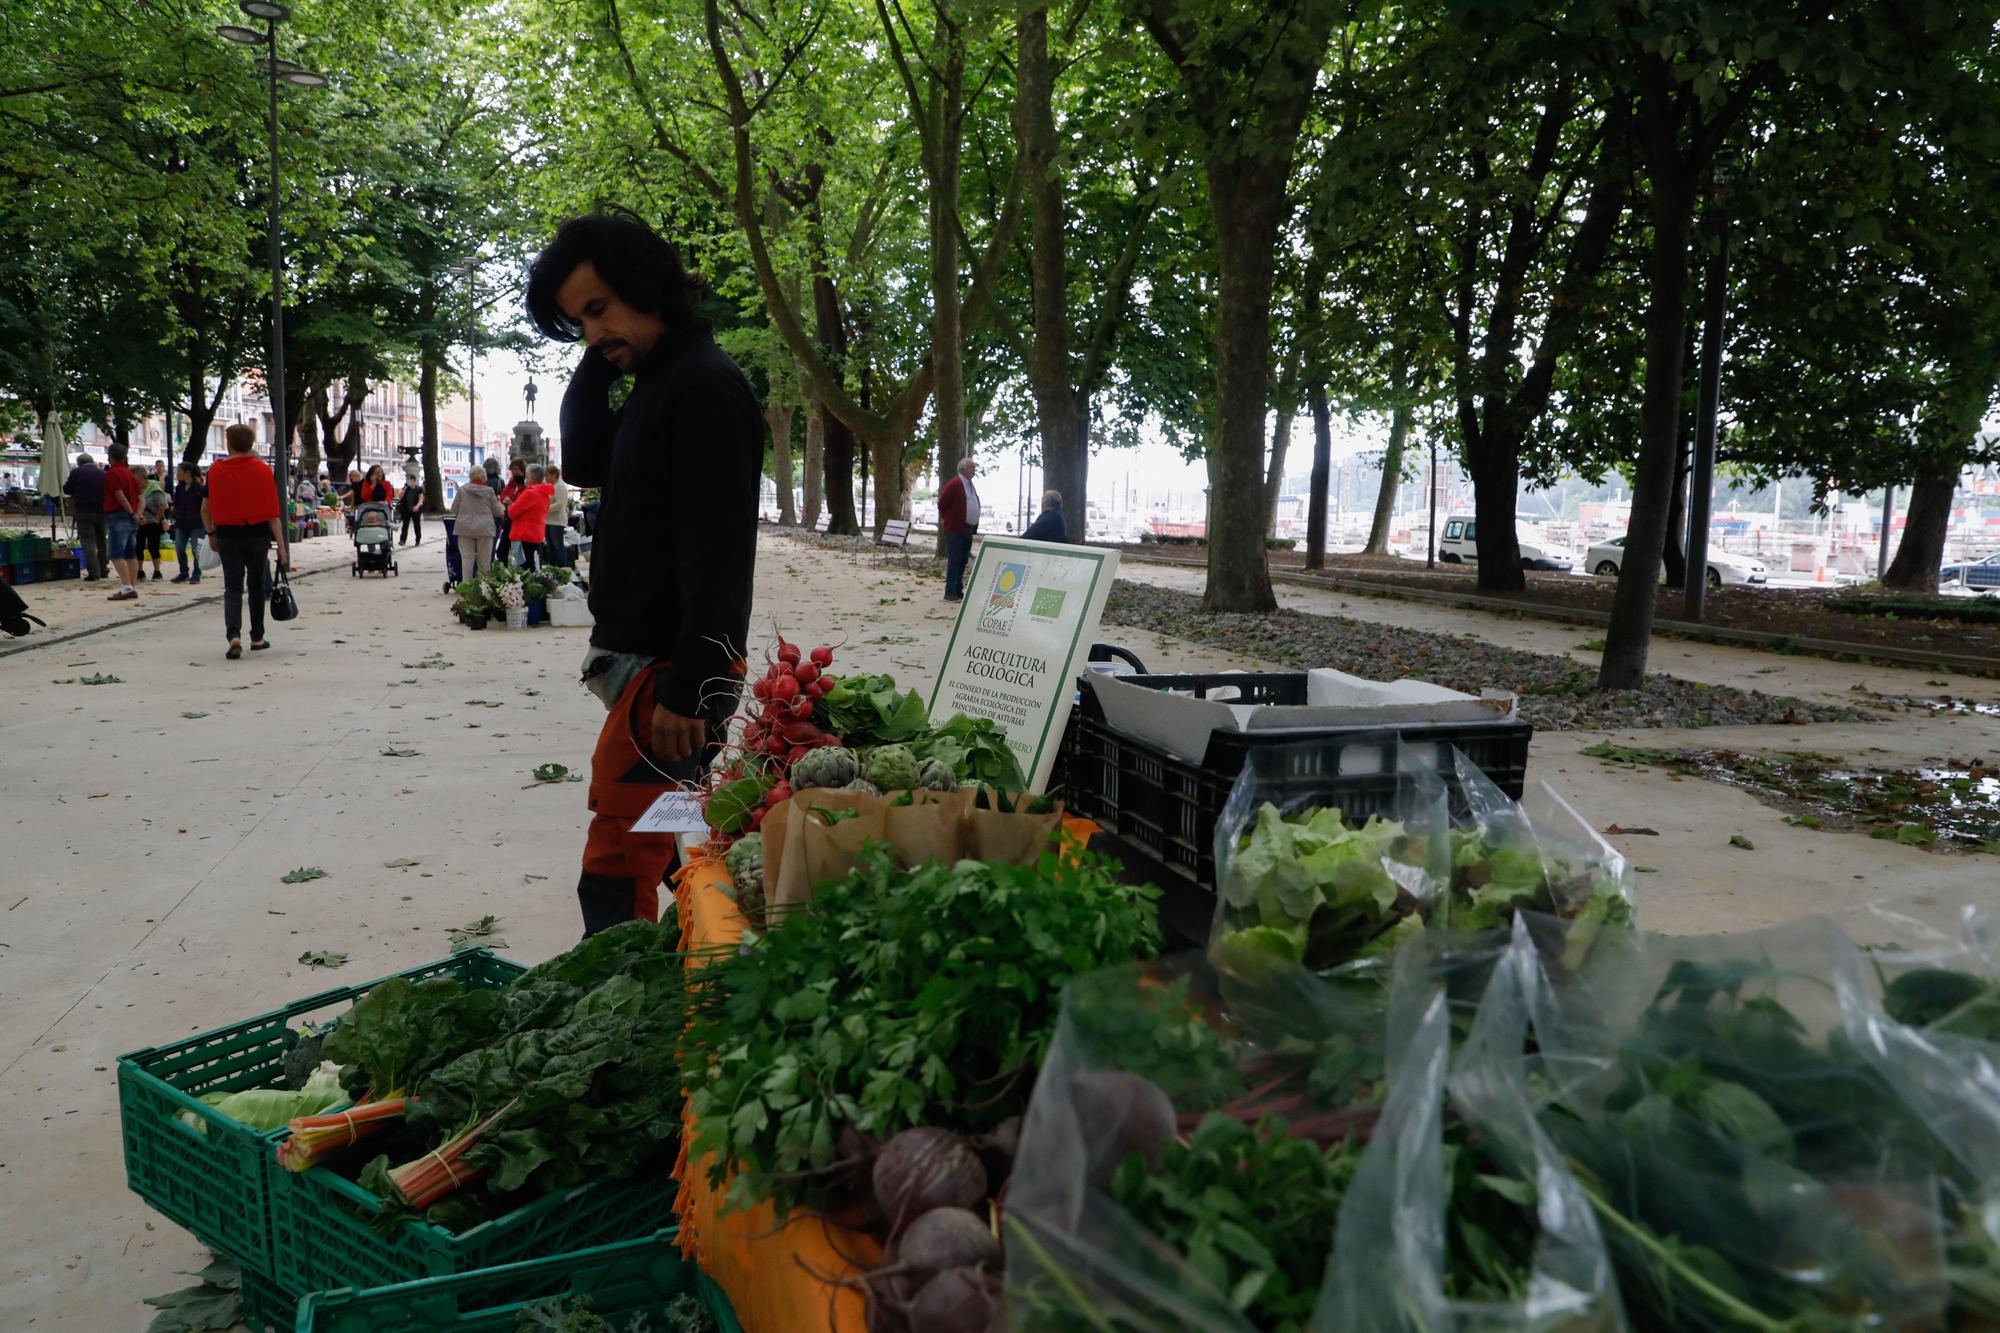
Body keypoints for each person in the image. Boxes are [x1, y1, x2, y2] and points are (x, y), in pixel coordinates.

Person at [527, 206, 762, 936]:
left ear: (646, 284)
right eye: (579, 322)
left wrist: (690, 690)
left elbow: (719, 554)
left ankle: (618, 1018)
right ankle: (699, 994)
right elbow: (589, 460)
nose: (594, 334)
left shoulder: (701, 388)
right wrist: (598, 352)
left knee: (619, 859)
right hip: (652, 673)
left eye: (599, 309)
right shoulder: (660, 380)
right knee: (675, 851)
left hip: (670, 679)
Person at [203, 424, 290, 658]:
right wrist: (281, 546)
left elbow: (205, 509)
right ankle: (257, 637)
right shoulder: (262, 471)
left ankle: (234, 635)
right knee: (255, 586)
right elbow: (273, 513)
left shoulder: (215, 471)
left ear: (228, 443)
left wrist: (211, 534)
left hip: (227, 536)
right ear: (251, 444)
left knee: (232, 586)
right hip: (257, 536)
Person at [102, 443, 143, 601]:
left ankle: (126, 587)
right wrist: (137, 514)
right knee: (130, 555)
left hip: (118, 516)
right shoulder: (130, 474)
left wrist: (131, 512)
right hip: (132, 519)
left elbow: (119, 494)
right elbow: (141, 499)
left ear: (110, 456)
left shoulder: (112, 473)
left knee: (116, 554)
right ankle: (132, 586)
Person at [449, 467, 504, 583]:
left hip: (465, 528)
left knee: (467, 560)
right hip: (485, 529)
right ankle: (484, 590)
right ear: (484, 477)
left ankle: (466, 589)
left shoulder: (462, 490)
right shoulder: (489, 491)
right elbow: (498, 512)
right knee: (484, 562)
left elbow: (454, 509)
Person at [937, 455, 981, 601]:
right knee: (955, 559)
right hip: (956, 528)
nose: (974, 470)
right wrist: (948, 519)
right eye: (972, 467)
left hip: (967, 528)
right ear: (962, 469)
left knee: (962, 559)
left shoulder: (969, 485)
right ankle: (950, 591)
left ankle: (957, 589)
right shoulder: (955, 483)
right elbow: (942, 503)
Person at [64, 453, 107, 581]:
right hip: (102, 511)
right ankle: (104, 569)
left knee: (88, 541)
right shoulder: (103, 473)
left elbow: (67, 489)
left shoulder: (77, 473)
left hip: (83, 511)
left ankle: (94, 572)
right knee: (102, 540)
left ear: (79, 463)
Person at [507, 463, 551, 569]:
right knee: (530, 563)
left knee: (524, 568)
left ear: (531, 476)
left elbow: (512, 512)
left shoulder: (530, 493)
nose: (525, 477)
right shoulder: (544, 493)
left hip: (524, 533)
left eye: (527, 474)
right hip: (536, 532)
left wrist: (510, 504)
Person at [170, 462, 206, 584]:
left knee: (197, 550)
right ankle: (183, 572)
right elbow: (176, 504)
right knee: (179, 548)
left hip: (197, 524)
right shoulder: (179, 488)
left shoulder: (199, 488)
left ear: (187, 472)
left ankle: (196, 573)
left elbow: (204, 507)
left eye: (179, 471)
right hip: (181, 524)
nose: (177, 474)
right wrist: (176, 515)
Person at [137, 467, 171, 580]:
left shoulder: (154, 489)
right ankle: (140, 571)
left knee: (153, 547)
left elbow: (163, 505)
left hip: (152, 523)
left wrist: (157, 519)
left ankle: (157, 571)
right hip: (139, 523)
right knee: (138, 547)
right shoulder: (136, 489)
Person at [495, 457, 527, 563]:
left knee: (520, 552)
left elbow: (524, 500)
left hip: (520, 520)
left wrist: (512, 502)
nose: (513, 472)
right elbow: (503, 495)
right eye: (512, 469)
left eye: (515, 469)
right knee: (501, 551)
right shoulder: (512, 482)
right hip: (509, 519)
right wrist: (507, 500)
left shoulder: (526, 483)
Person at [544, 464, 572, 568]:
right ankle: (553, 567)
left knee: (558, 546)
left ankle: (562, 568)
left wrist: (545, 508)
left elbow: (561, 504)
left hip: (557, 522)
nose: (545, 478)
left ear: (554, 475)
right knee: (551, 547)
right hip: (549, 521)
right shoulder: (552, 486)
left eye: (547, 475)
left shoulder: (559, 486)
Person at [397, 471, 425, 545]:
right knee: (405, 525)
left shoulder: (419, 489)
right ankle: (402, 540)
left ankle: (418, 539)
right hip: (406, 509)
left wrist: (417, 506)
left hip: (416, 509)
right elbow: (400, 498)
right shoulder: (405, 488)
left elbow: (421, 499)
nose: (407, 481)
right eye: (406, 479)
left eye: (408, 479)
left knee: (417, 525)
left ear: (413, 480)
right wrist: (405, 489)